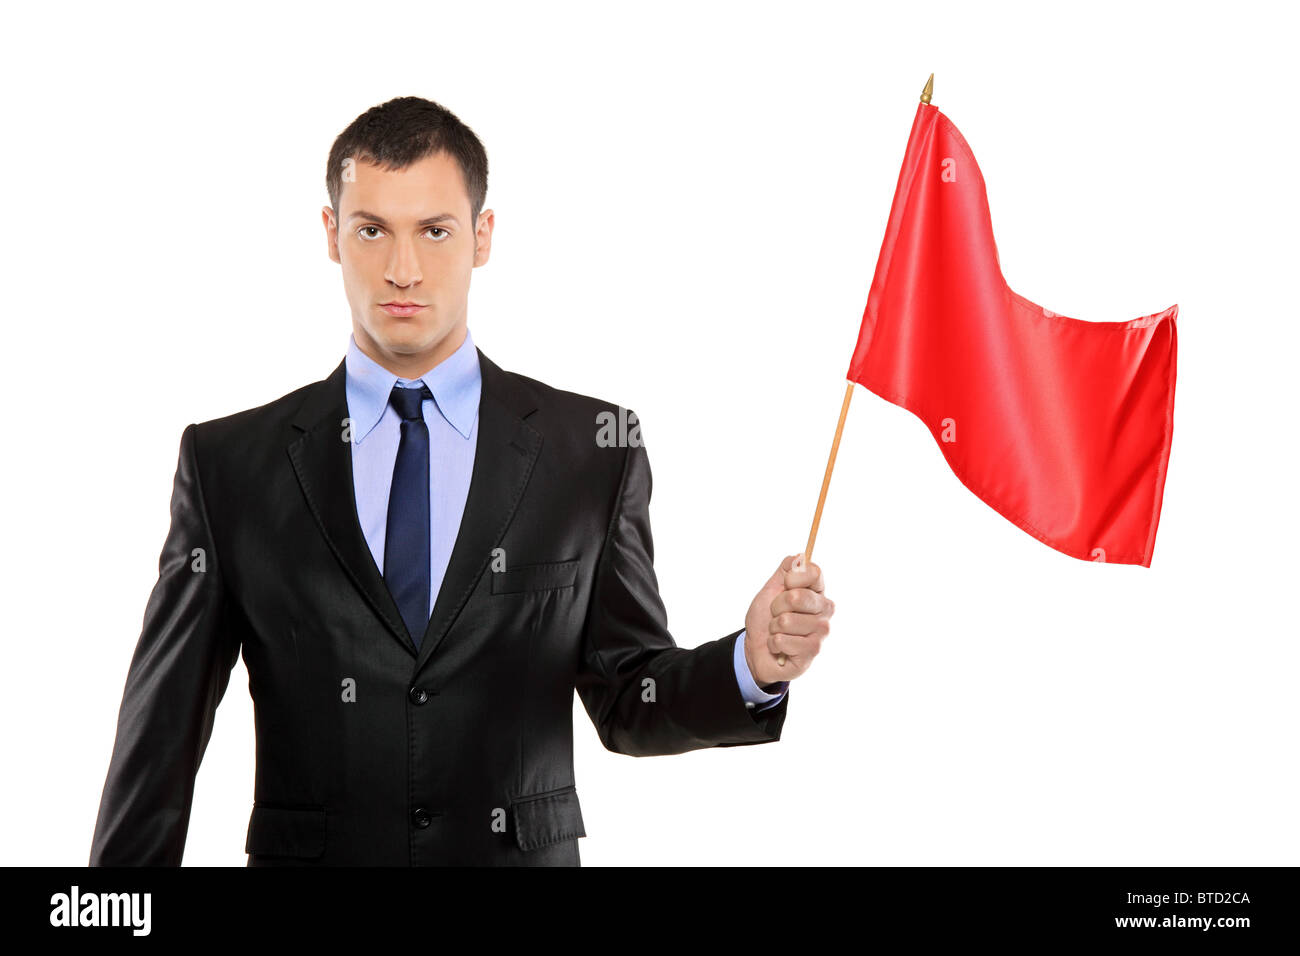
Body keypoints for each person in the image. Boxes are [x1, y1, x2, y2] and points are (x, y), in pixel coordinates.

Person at [89, 96, 834, 866]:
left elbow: (628, 697)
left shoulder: (592, 449)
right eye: (371, 229)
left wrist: (751, 664)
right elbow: (161, 739)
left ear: (482, 237)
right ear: (331, 235)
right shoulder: (229, 464)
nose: (402, 270)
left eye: (435, 231)